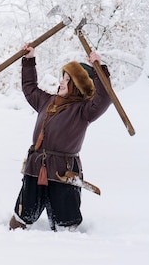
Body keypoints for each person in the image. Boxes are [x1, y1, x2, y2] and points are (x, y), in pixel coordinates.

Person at [8, 44, 112, 231]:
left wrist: (99, 69)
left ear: (79, 86)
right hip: (36, 166)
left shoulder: (84, 110)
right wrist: (29, 60)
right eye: (62, 78)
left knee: (65, 220)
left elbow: (104, 99)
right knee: (24, 214)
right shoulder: (46, 101)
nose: (62, 82)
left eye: (68, 80)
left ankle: (65, 248)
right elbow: (29, 88)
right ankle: (16, 237)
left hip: (62, 171)